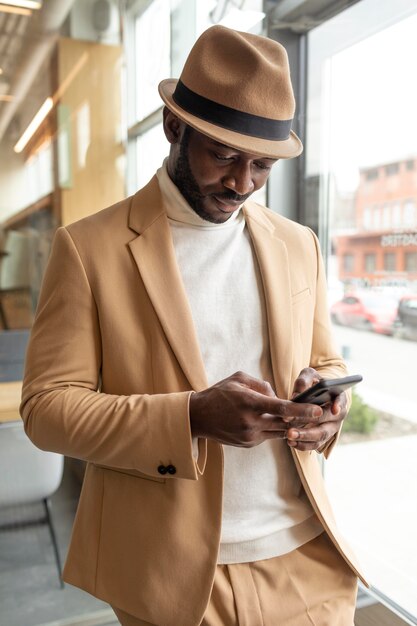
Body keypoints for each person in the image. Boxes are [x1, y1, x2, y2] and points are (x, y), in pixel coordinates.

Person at [20, 25, 367, 626]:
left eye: (261, 165)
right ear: (173, 127)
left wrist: (323, 404)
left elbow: (325, 360)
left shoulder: (297, 243)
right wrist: (190, 416)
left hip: (306, 560)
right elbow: (46, 410)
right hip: (174, 577)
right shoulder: (87, 249)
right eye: (224, 157)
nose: (242, 184)